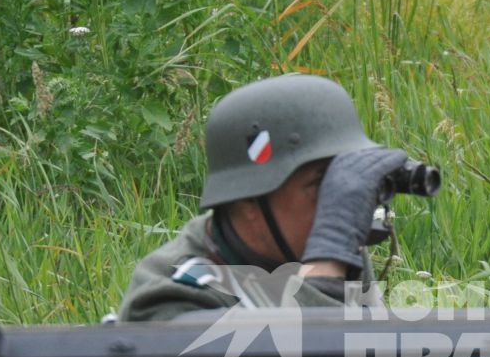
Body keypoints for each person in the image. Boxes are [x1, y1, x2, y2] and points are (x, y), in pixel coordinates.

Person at [117, 74, 426, 321]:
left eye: (347, 183)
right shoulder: (172, 297)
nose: (341, 201)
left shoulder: (331, 250)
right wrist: (325, 271)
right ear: (248, 202)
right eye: (323, 184)